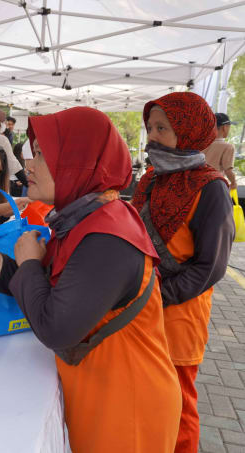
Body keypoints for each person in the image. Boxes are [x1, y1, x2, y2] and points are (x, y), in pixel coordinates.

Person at [0, 107, 182, 453]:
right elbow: (58, 292)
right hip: (103, 391)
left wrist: (29, 264)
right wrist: (0, 267)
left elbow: (56, 326)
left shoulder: (107, 237)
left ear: (78, 161)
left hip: (128, 409)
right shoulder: (86, 218)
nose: (29, 165)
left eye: (41, 154)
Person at [132, 92, 234, 453]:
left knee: (179, 408)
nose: (153, 136)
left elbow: (211, 267)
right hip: (141, 313)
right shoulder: (149, 180)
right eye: (150, 128)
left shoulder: (211, 189)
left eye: (163, 128)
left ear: (190, 131)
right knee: (146, 402)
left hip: (178, 319)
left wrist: (159, 297)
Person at [0, 145, 29, 226]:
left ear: (2, 166)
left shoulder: (1, 186)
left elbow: (5, 213)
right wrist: (21, 201)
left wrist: (23, 205)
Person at [202, 112, 238, 190]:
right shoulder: (228, 147)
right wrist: (233, 182)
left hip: (198, 183)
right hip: (214, 185)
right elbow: (228, 170)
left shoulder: (201, 144)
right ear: (225, 127)